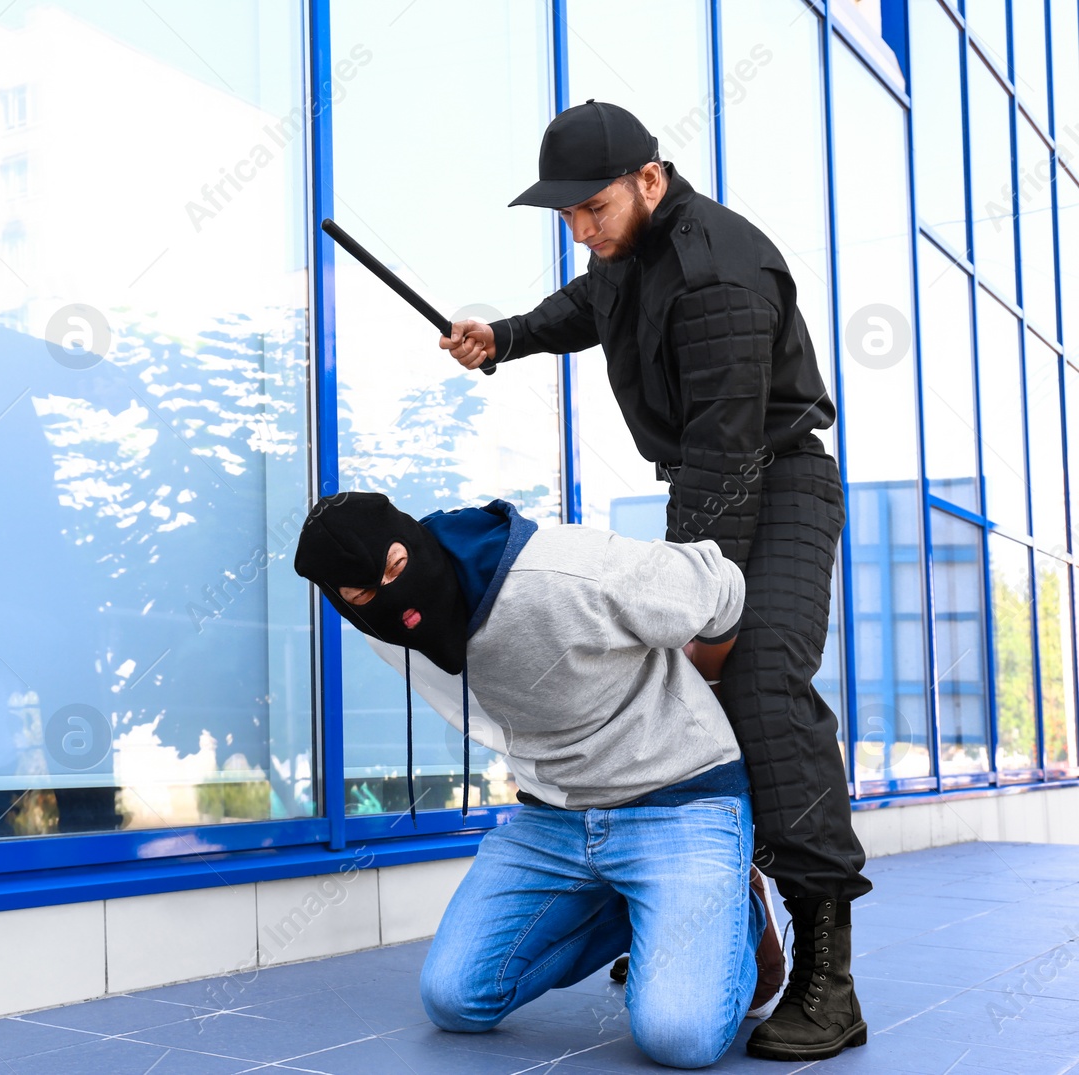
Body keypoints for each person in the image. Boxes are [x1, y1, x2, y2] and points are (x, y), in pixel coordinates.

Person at [440, 100, 868, 1061]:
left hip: (779, 480)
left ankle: (830, 979)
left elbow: (724, 460)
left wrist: (691, 607)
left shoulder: (719, 275)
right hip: (712, 486)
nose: (581, 233)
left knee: (757, 689)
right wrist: (501, 337)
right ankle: (706, 913)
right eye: (567, 220)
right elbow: (587, 307)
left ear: (651, 179)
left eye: (591, 209)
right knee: (683, 685)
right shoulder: (623, 253)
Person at [293, 491, 801, 1069]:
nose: (394, 601)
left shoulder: (564, 568)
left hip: (679, 800)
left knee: (677, 1039)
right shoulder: (384, 633)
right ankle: (645, 909)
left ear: (412, 540)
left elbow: (721, 584)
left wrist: (703, 681)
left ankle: (745, 909)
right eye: (363, 596)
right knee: (455, 1000)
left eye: (398, 570)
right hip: (553, 819)